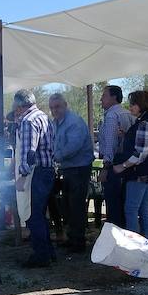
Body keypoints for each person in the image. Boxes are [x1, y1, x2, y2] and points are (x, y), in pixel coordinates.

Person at [113, 90, 148, 242]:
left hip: (140, 173)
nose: (130, 107)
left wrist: (122, 166)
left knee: (131, 209)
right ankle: (146, 244)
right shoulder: (145, 121)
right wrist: (126, 135)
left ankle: (134, 247)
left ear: (142, 105)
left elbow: (140, 153)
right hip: (147, 173)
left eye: (133, 104)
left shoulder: (144, 123)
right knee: (143, 210)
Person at [13, 89, 56, 267]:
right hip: (47, 170)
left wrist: (22, 175)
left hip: (35, 173)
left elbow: (29, 153)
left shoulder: (28, 121)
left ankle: (41, 256)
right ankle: (48, 253)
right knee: (40, 214)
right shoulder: (43, 116)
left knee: (32, 216)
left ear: (19, 105)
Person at [48, 93, 94, 253]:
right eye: (52, 108)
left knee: (76, 205)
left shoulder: (74, 122)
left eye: (57, 107)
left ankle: (78, 242)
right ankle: (72, 237)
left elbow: (73, 146)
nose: (54, 110)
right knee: (68, 204)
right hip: (68, 168)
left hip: (79, 168)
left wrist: (54, 157)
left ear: (65, 105)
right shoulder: (56, 123)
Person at [98, 85, 135, 228]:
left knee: (113, 205)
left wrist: (106, 168)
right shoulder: (128, 114)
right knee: (124, 203)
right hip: (128, 163)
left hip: (115, 164)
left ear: (114, 97)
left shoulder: (112, 116)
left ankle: (115, 238)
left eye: (104, 95)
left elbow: (110, 144)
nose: (101, 99)